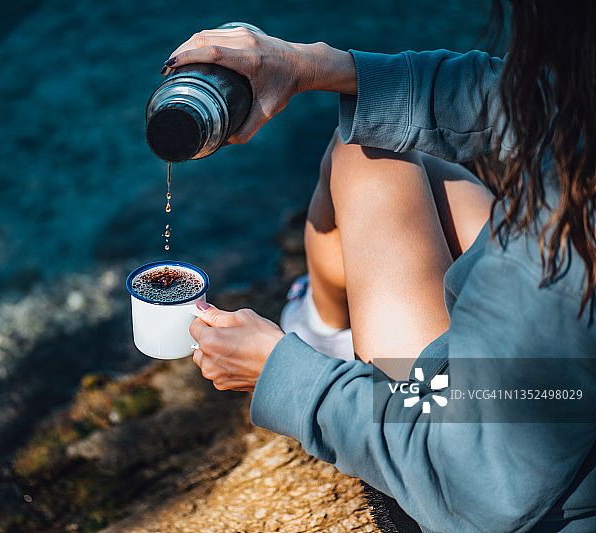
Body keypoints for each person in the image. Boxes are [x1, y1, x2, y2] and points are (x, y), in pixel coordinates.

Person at [164, 1, 596, 531]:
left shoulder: (567, 251)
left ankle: (320, 338)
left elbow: (472, 487)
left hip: (470, 474)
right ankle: (324, 329)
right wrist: (311, 66)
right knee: (370, 145)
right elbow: (533, 101)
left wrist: (282, 373)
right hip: (533, 383)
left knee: (360, 158)